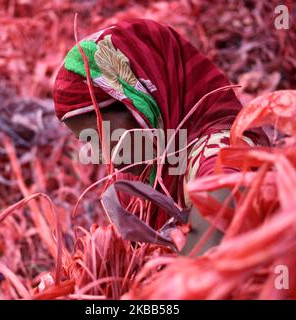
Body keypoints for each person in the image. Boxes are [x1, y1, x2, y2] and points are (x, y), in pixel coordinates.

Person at [53, 19, 268, 254]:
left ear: (142, 106)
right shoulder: (139, 175)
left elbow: (211, 268)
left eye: (98, 136)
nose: (104, 157)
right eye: (87, 141)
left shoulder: (223, 156)